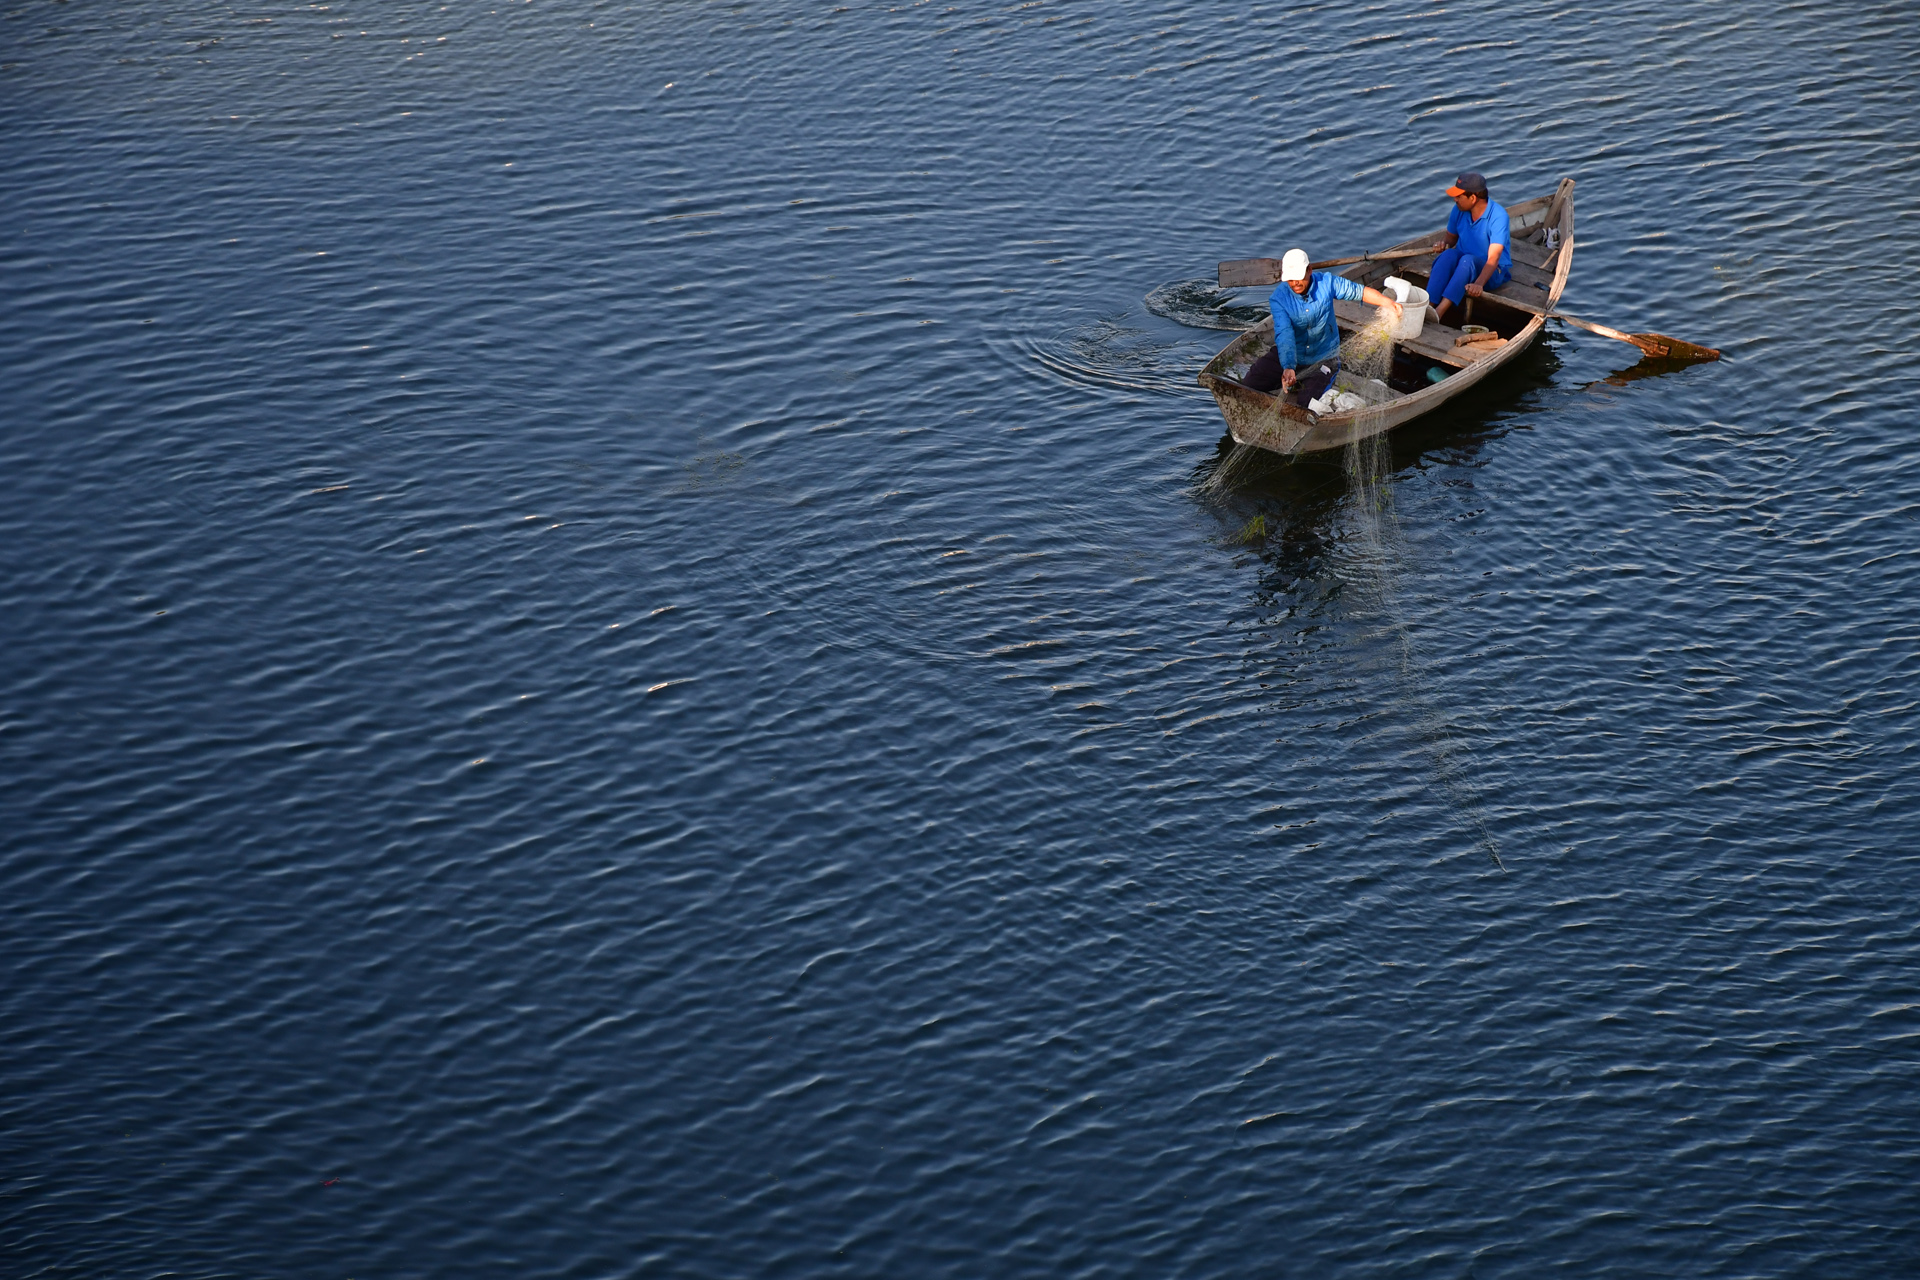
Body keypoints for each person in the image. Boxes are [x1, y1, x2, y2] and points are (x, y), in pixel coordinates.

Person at [1243, 249, 1402, 407]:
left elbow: (1358, 292)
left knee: (1306, 405)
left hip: (1323, 358)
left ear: (1309, 270)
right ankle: (1290, 379)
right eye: (1290, 280)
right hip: (1291, 354)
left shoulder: (1326, 283)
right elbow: (1285, 334)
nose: (1295, 283)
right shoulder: (1279, 298)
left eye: (1298, 278)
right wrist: (1288, 367)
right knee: (1247, 386)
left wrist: (1388, 302)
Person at [1426, 171, 1510, 324]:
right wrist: (1442, 244)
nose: (1455, 199)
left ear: (1472, 198)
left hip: (1491, 271)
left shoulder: (1498, 216)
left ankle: (1439, 312)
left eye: (1459, 196)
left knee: (1467, 260)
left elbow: (1494, 258)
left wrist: (1478, 284)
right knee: (1448, 255)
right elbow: (1450, 240)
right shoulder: (1458, 210)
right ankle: (1427, 307)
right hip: (1463, 264)